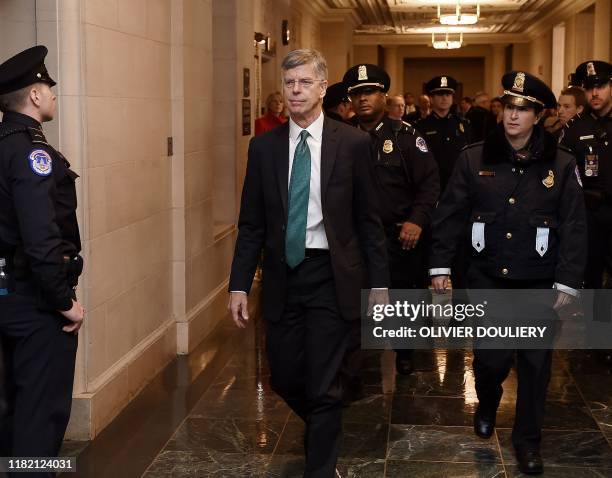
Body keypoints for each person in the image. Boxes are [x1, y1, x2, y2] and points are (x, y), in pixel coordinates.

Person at [228, 49, 389, 478]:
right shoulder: (263, 148)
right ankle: (325, 421)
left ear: (322, 88)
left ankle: (322, 466)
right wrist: (239, 285)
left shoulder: (353, 143)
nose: (295, 91)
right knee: (283, 375)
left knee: (324, 383)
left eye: (304, 83)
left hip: (332, 275)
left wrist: (379, 284)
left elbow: (369, 221)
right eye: (289, 83)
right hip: (283, 275)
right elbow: (251, 223)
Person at [430, 71, 587, 474]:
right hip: (488, 280)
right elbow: (449, 216)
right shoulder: (473, 157)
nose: (513, 116)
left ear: (537, 114)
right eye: (509, 107)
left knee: (536, 367)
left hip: (538, 281)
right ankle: (486, 399)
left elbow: (573, 226)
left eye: (523, 109)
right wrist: (440, 267)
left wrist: (568, 281)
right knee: (491, 361)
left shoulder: (562, 163)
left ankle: (528, 442)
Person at [0, 46, 85, 469]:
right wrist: (63, 302)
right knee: (41, 413)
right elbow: (40, 238)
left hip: (7, 293)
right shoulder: (31, 153)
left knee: (12, 408)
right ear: (35, 95)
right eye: (48, 88)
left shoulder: (3, 144)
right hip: (33, 301)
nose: (53, 94)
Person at [343, 64, 439, 376]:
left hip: (398, 236)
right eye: (356, 94)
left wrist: (418, 220)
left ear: (384, 95)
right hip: (354, 238)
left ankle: (405, 353)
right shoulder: (340, 137)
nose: (362, 99)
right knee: (356, 302)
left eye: (369, 92)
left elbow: (429, 184)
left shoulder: (405, 137)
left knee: (402, 301)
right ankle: (356, 362)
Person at [560, 61, 612, 362]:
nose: (595, 93)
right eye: (590, 87)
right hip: (589, 214)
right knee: (590, 279)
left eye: (601, 86)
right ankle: (598, 340)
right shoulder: (574, 129)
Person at [415, 75, 471, 193]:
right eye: (440, 94)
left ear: (452, 98)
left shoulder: (463, 125)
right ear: (431, 98)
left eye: (448, 94)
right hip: (431, 186)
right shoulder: (421, 127)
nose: (444, 98)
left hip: (459, 185)